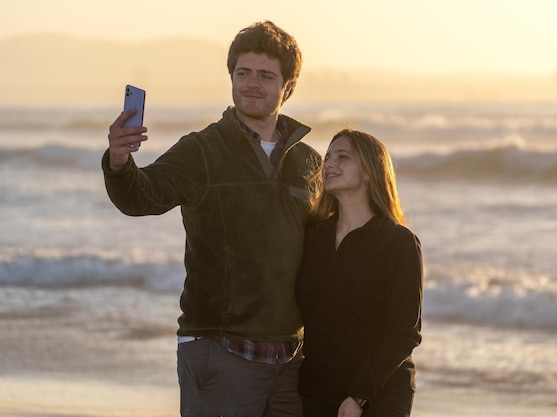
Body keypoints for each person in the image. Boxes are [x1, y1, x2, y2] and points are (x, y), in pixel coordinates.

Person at [102, 21, 321, 417]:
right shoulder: (202, 150)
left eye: (265, 76)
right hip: (220, 349)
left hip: (292, 359)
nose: (252, 84)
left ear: (287, 87)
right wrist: (119, 161)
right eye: (243, 74)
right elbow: (139, 196)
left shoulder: (308, 162)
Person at [295, 129, 423, 417]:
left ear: (370, 171)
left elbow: (405, 333)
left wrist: (360, 397)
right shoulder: (311, 237)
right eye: (327, 157)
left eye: (343, 157)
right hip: (318, 388)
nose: (328, 164)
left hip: (380, 390)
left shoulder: (398, 243)